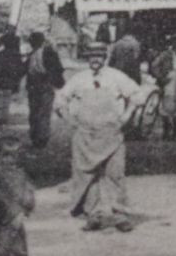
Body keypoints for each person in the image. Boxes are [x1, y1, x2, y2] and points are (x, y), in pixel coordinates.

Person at [56, 44, 142, 232]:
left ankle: (120, 215)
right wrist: (71, 121)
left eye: (99, 56)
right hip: (85, 135)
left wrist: (126, 117)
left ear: (105, 57)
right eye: (91, 56)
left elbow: (137, 95)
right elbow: (60, 100)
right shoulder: (78, 79)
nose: (95, 60)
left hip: (111, 133)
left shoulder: (116, 76)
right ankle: (93, 215)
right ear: (87, 58)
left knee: (115, 174)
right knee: (86, 176)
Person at [24, 32, 66, 150]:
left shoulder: (37, 54)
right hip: (42, 85)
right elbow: (58, 69)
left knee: (37, 112)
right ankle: (40, 138)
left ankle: (38, 137)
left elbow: (56, 69)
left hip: (38, 85)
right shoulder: (46, 52)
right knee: (41, 112)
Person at [0, 32, 26, 139]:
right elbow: (20, 71)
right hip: (8, 86)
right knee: (2, 113)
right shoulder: (16, 55)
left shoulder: (2, 54)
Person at [150, 38, 176, 140]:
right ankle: (166, 130)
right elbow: (154, 65)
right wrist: (161, 77)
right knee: (168, 103)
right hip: (170, 76)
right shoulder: (165, 54)